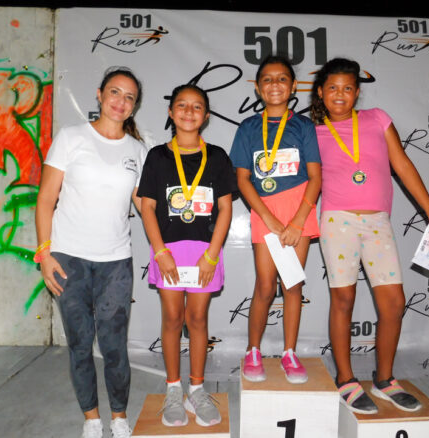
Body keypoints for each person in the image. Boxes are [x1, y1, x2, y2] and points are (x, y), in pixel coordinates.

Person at [310, 58, 429, 414]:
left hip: (377, 222)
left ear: (357, 92)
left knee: (393, 303)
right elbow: (306, 181)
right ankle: (346, 379)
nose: (340, 94)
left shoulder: (377, 119)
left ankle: (385, 379)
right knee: (343, 299)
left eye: (347, 88)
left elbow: (401, 164)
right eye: (332, 88)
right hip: (337, 222)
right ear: (320, 92)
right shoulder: (312, 132)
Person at [35, 66, 148, 438]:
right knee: (80, 345)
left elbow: (146, 207)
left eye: (129, 97)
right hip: (69, 259)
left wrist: (182, 230)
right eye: (115, 92)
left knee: (115, 346)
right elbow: (45, 199)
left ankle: (119, 417)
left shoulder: (137, 150)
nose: (121, 101)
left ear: (134, 106)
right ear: (100, 94)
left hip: (116, 262)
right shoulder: (71, 137)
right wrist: (44, 254)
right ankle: (92, 419)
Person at [137, 84, 235, 427]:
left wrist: (212, 255)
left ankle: (197, 388)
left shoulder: (218, 157)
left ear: (206, 116)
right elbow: (147, 207)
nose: (189, 111)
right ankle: (173, 389)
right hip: (168, 252)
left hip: (205, 253)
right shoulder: (157, 157)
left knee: (197, 320)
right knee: (172, 318)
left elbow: (226, 209)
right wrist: (160, 251)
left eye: (197, 106)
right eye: (182, 105)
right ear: (170, 112)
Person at [230, 55, 321, 384]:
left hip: (299, 213)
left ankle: (289, 353)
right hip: (264, 213)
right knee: (266, 286)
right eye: (267, 79)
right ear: (257, 87)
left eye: (282, 79)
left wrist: (297, 221)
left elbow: (315, 177)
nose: (274, 85)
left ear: (293, 86)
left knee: (293, 284)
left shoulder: (304, 126)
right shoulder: (248, 128)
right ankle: (253, 351)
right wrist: (267, 217)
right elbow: (242, 179)